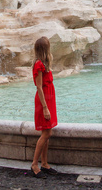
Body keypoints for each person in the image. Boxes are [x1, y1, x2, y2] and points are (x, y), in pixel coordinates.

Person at [31, 37, 58, 178]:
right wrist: (45, 107)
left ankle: (45, 163)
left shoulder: (44, 63)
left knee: (47, 133)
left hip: (49, 99)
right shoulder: (39, 64)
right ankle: (35, 164)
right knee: (46, 134)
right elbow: (39, 87)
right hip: (44, 101)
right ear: (45, 49)